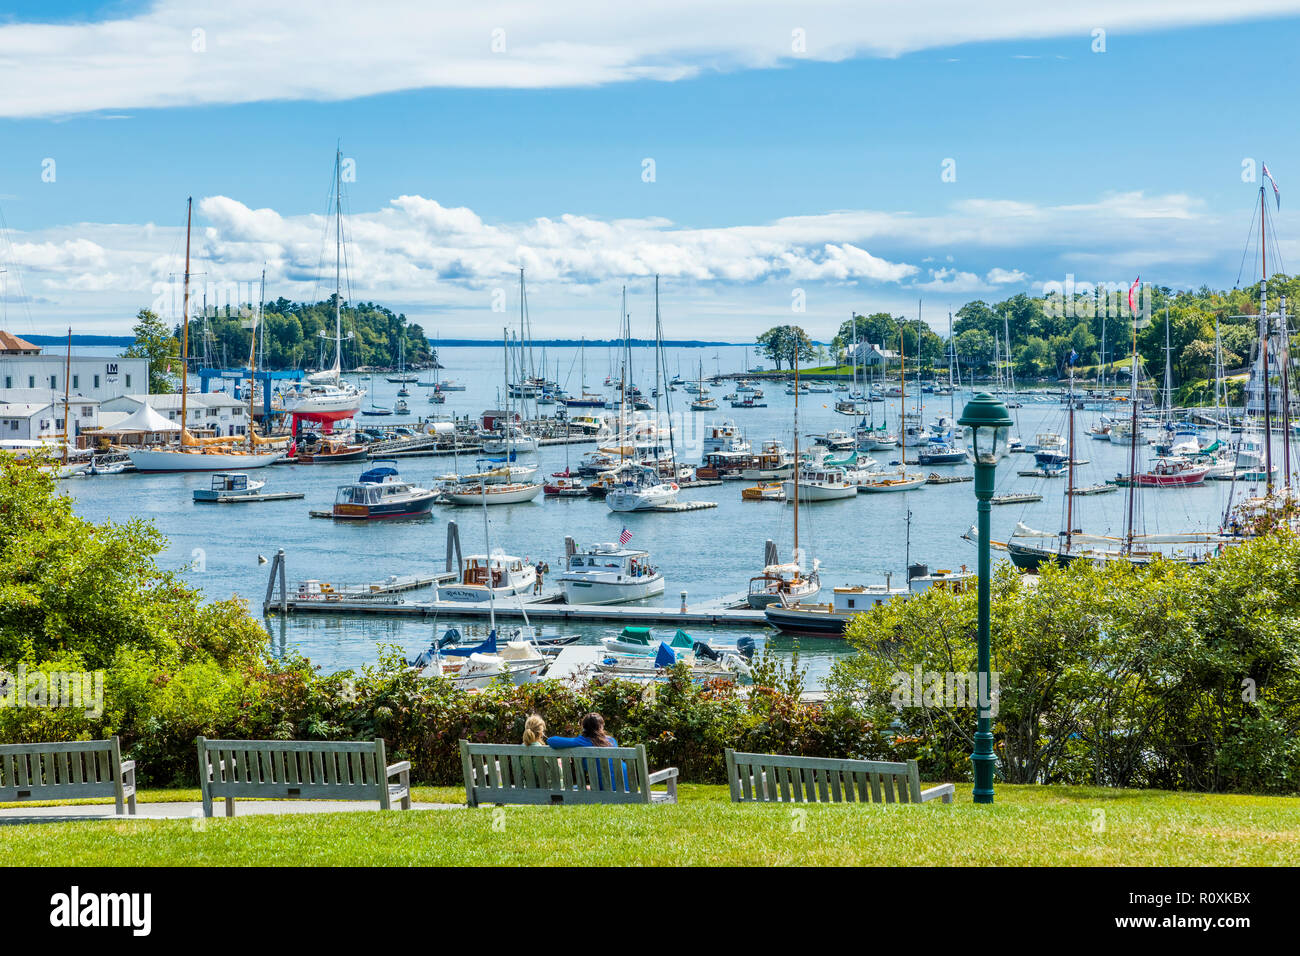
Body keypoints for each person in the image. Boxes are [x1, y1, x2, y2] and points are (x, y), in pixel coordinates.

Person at [547, 713, 626, 788]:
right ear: (601, 726)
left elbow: (551, 740)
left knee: (574, 788)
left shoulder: (582, 741)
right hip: (624, 784)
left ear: (584, 727)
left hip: (604, 787)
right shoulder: (612, 741)